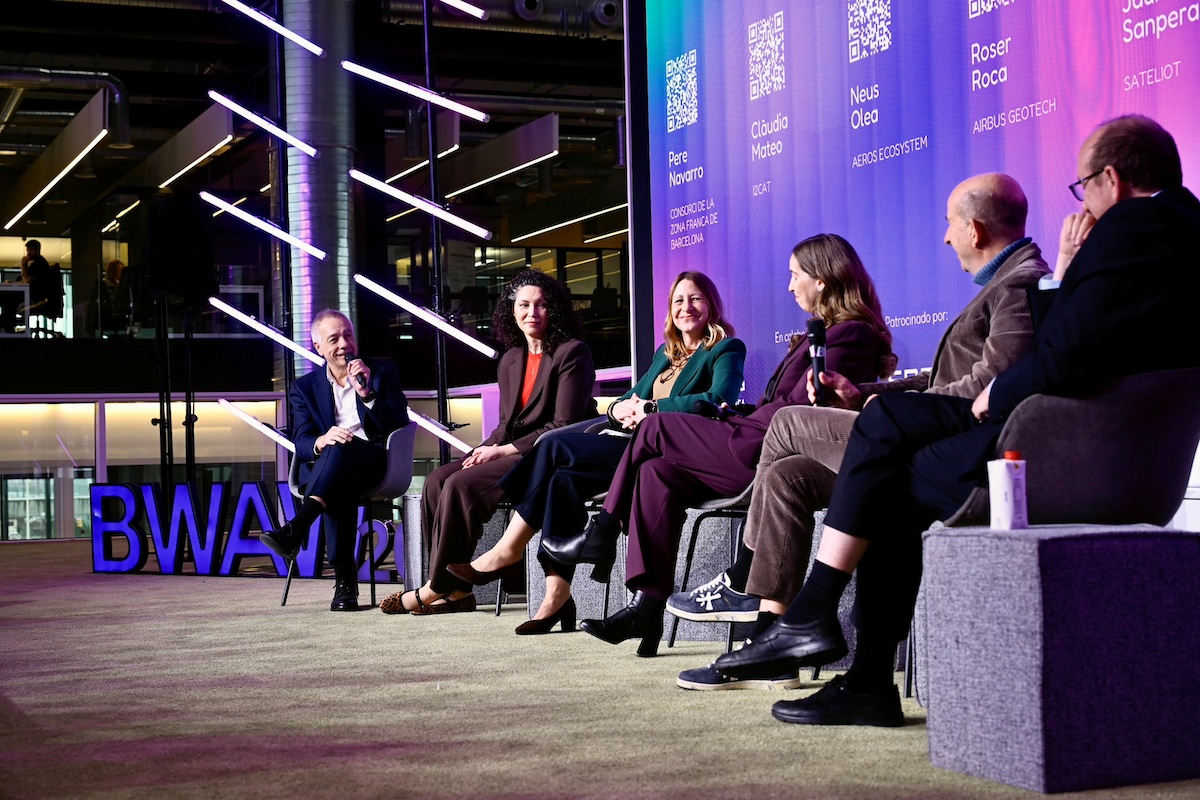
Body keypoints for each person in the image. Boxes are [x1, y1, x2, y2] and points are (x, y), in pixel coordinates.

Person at [714, 115, 1200, 726]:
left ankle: (832, 639)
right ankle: (846, 659)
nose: (1084, 205)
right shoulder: (1182, 228)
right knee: (887, 455)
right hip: (1130, 457)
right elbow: (1094, 342)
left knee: (886, 461)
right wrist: (1069, 268)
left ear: (1112, 179)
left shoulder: (1133, 226)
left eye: (1084, 188)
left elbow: (1063, 355)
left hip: (1064, 456)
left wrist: (997, 391)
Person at [670, 173, 1050, 690]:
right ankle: (772, 641)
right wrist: (863, 393)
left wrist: (895, 408)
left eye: (949, 224)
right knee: (787, 476)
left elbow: (992, 386)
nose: (945, 237)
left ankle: (743, 573)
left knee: (787, 421)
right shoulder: (1002, 284)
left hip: (944, 447)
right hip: (921, 432)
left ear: (975, 229)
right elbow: (940, 379)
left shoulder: (1020, 284)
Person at [552, 233, 897, 657]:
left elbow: (809, 412)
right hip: (752, 435)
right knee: (655, 472)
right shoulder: (821, 334)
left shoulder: (849, 335)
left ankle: (601, 532)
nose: (790, 286)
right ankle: (647, 607)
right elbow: (779, 404)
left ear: (821, 279)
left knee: (653, 428)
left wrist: (734, 417)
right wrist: (733, 414)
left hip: (770, 454)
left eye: (795, 275)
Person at [445, 271, 746, 635]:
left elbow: (717, 400)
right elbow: (627, 398)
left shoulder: (726, 348)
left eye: (695, 298)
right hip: (628, 440)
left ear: (710, 304)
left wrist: (651, 409)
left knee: (553, 443)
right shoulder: (665, 354)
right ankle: (556, 595)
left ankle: (507, 549)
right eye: (679, 300)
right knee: (561, 480)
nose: (687, 307)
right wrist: (620, 408)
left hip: (666, 450)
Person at [381, 269, 598, 616]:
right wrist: (480, 451)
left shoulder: (572, 353)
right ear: (512, 311)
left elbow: (563, 426)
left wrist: (500, 451)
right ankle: (457, 590)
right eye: (524, 305)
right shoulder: (511, 358)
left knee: (460, 486)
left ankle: (437, 586)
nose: (532, 312)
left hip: (548, 455)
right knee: (437, 480)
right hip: (512, 450)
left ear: (554, 310)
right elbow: (505, 425)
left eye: (541, 305)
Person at [260, 309, 411, 611]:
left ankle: (300, 532)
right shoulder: (304, 387)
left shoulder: (381, 372)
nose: (344, 344)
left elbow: (399, 423)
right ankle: (344, 587)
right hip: (331, 469)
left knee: (344, 450)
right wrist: (321, 440)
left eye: (348, 335)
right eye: (334, 339)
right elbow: (302, 439)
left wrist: (367, 393)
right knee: (340, 466)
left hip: (375, 464)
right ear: (319, 347)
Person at [1, 240, 53, 332]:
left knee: (7, 299)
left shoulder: (39, 264)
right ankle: (7, 325)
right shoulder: (36, 263)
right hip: (30, 294)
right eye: (27, 250)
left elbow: (27, 282)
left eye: (31, 250)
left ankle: (7, 327)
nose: (28, 253)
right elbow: (26, 281)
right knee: (7, 299)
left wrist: (23, 265)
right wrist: (12, 283)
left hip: (35, 297)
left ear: (37, 250)